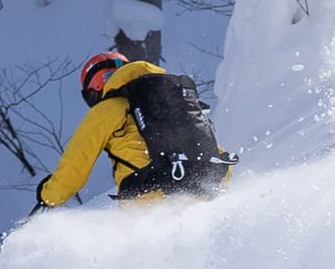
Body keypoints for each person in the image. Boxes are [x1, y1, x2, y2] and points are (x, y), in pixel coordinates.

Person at [35, 50, 232, 208]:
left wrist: (48, 195)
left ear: (94, 88)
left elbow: (75, 168)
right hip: (209, 181)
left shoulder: (107, 110)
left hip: (150, 197)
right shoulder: (171, 97)